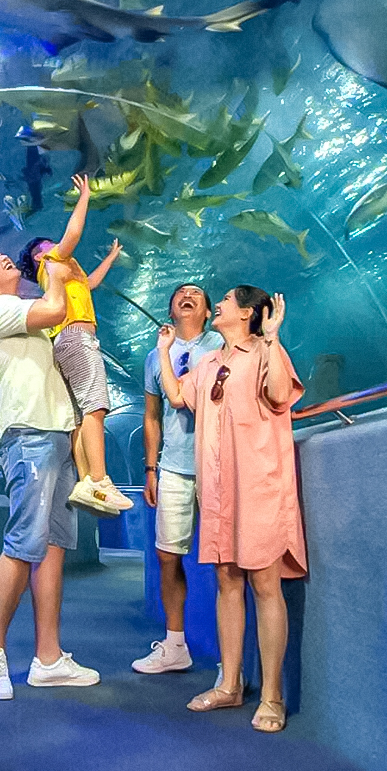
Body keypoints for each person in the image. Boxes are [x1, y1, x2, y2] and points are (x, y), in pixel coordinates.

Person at [156, 286, 306, 733]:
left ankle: (274, 695)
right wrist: (164, 351)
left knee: (264, 582)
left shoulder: (265, 351)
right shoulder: (210, 363)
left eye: (222, 300)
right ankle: (230, 683)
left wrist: (273, 337)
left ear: (246, 313)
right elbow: (180, 396)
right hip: (218, 489)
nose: (215, 304)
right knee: (226, 579)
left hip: (258, 486)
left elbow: (280, 395)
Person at [0, 242, 101, 699]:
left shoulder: (21, 309)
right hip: (28, 435)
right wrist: (53, 270)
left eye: (3, 255)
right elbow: (57, 306)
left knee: (54, 546)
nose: (3, 259)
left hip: (56, 433)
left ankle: (48, 658)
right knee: (22, 544)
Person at [16, 173, 128, 518]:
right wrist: (85, 197)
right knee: (96, 406)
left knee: (81, 415)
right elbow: (74, 234)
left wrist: (110, 257)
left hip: (66, 341)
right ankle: (100, 480)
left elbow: (88, 283)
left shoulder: (63, 277)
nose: (56, 246)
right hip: (78, 338)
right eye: (47, 245)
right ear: (39, 257)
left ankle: (84, 483)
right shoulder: (52, 263)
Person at [132, 283, 225, 675]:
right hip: (173, 464)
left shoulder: (222, 343)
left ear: (207, 312)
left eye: (198, 294)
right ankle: (174, 645)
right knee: (167, 555)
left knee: (227, 558)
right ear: (171, 309)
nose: (188, 296)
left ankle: (232, 659)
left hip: (218, 462)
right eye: (180, 293)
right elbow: (152, 416)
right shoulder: (156, 355)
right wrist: (150, 468)